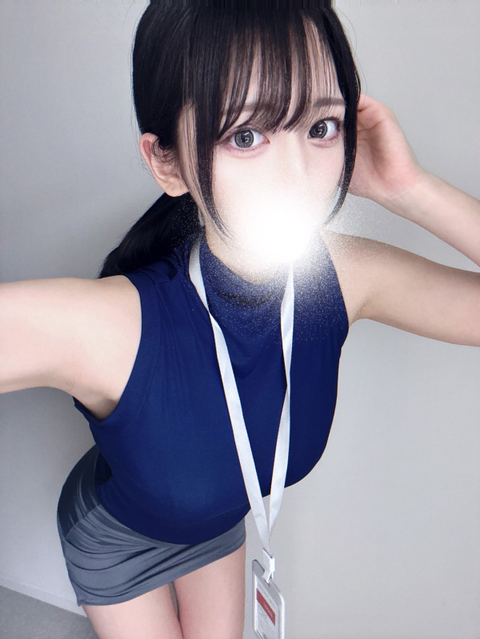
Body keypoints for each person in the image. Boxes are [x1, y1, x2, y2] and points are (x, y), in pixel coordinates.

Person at [1, 2, 479, 638]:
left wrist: (410, 188)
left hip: (220, 522)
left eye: (322, 127)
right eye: (246, 136)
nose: (298, 177)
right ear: (168, 162)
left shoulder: (344, 277)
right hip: (116, 539)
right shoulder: (113, 323)